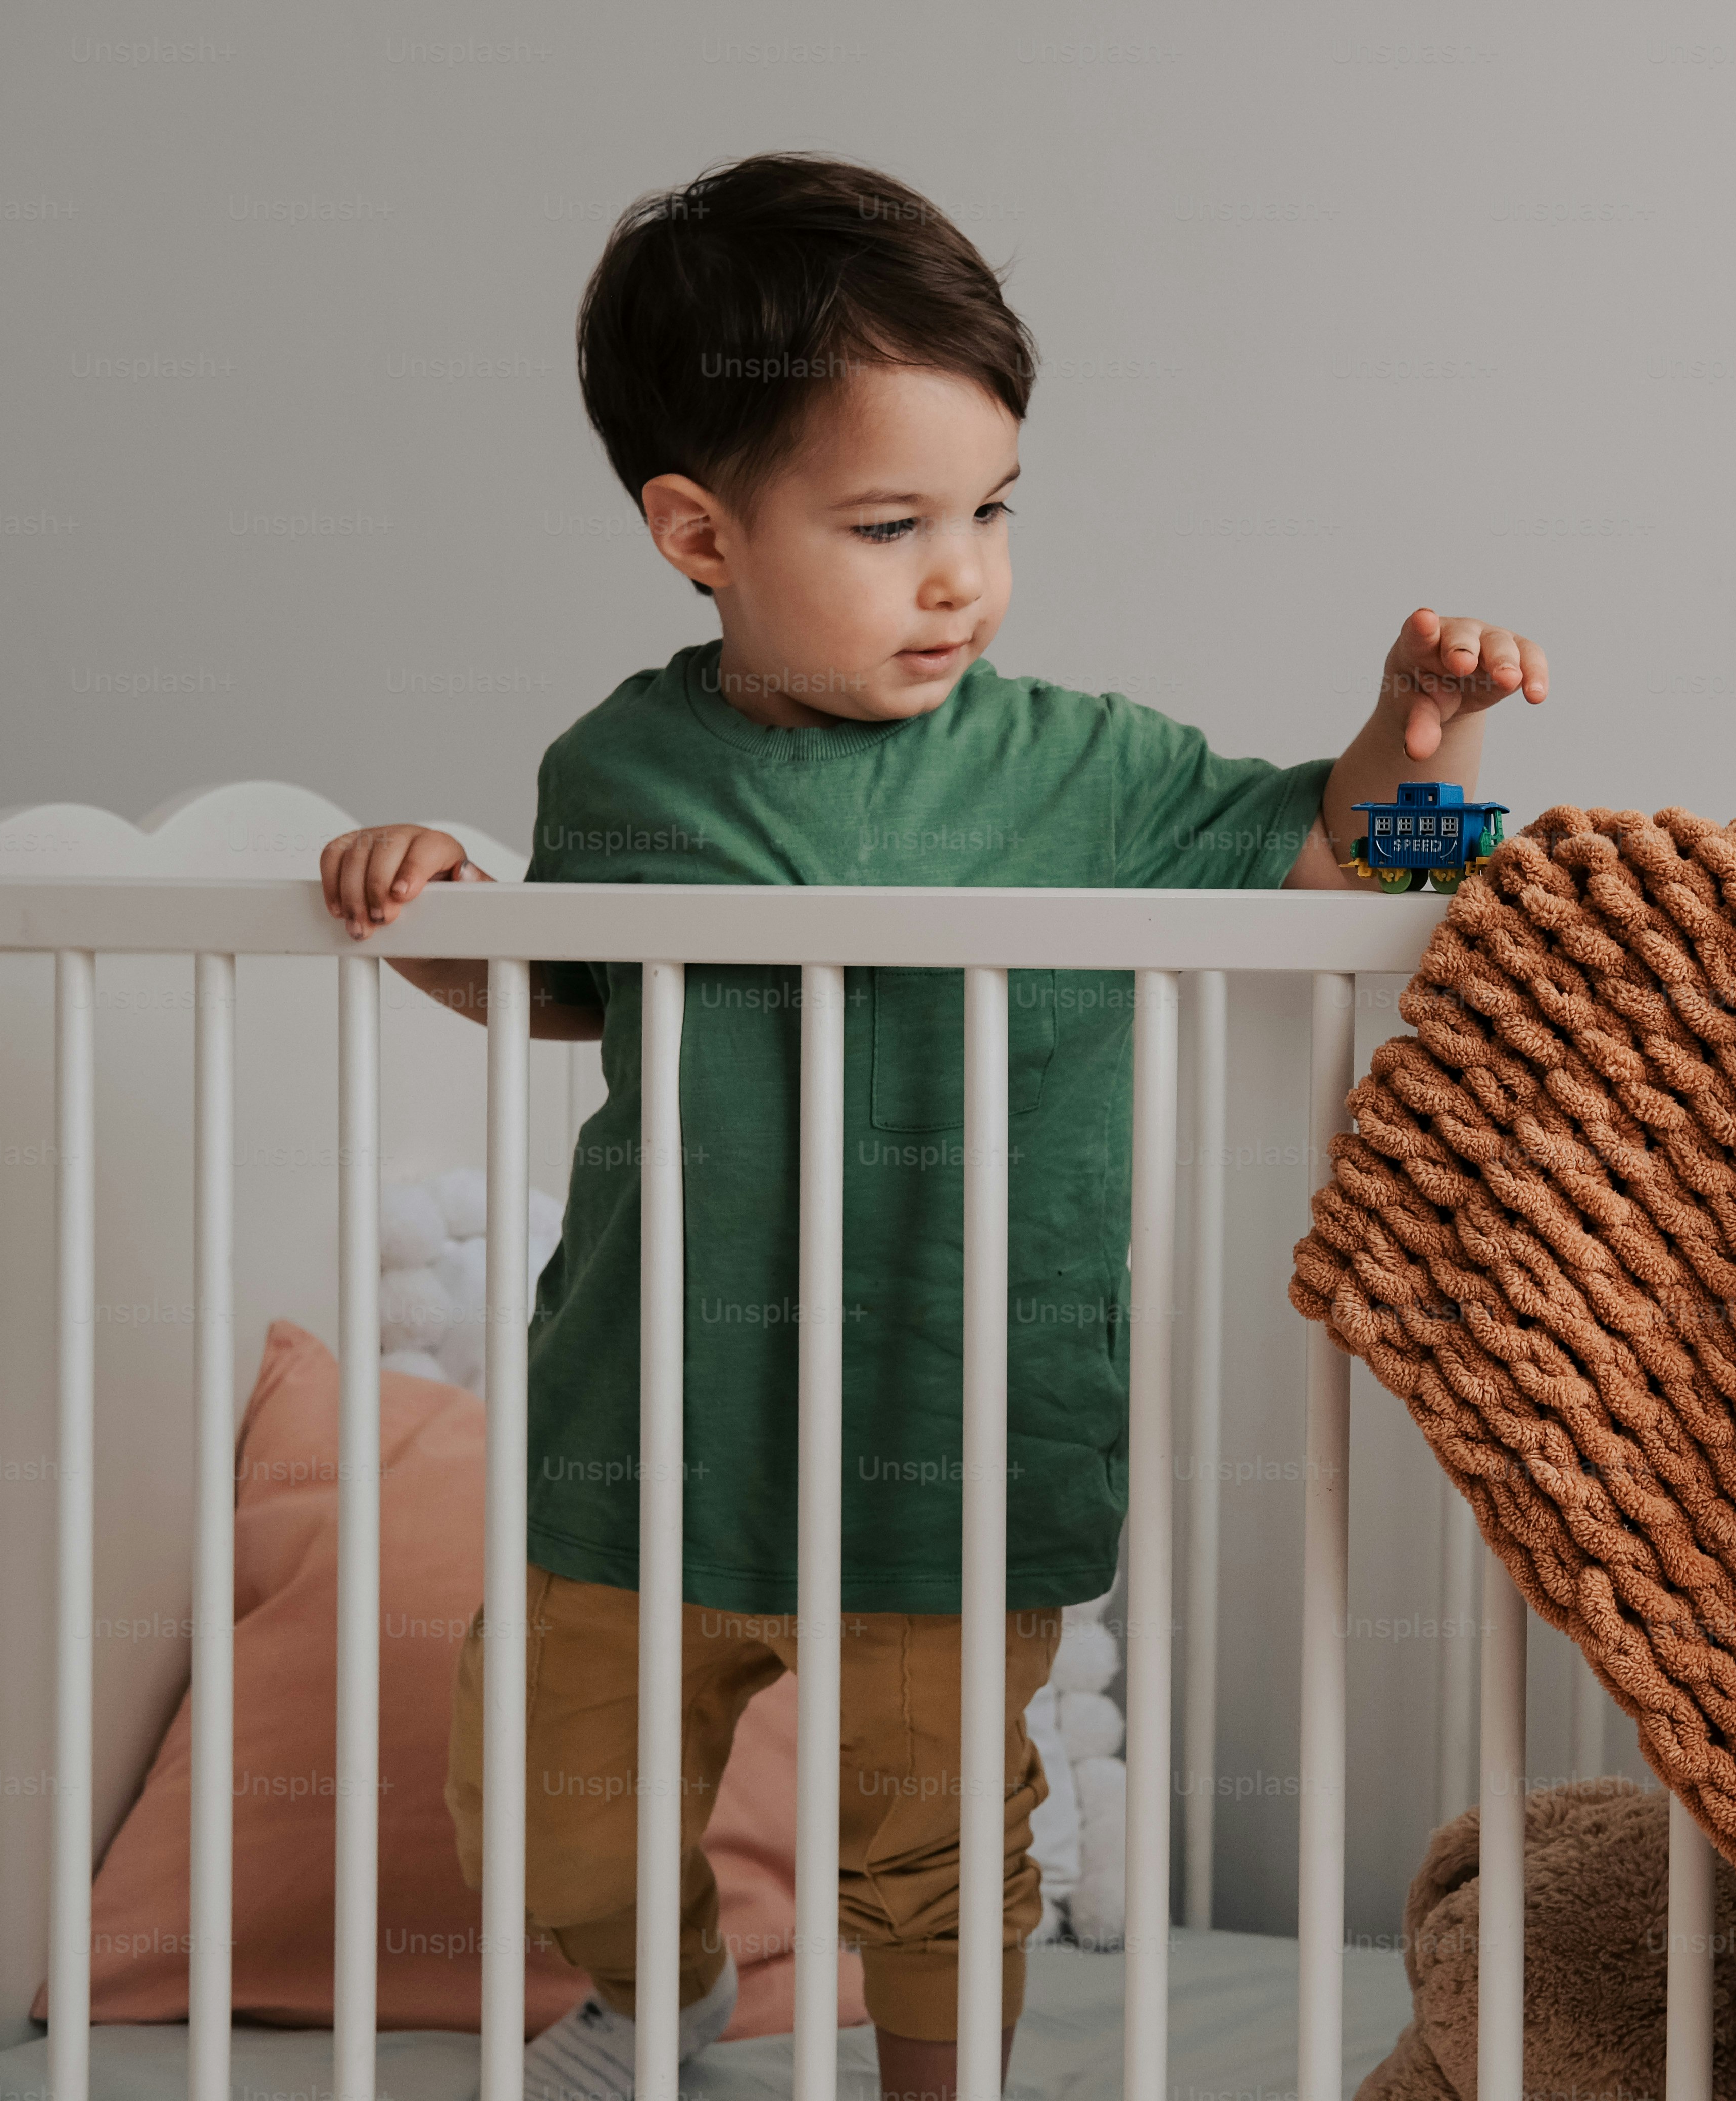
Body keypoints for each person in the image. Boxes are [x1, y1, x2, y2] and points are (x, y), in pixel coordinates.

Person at [317, 151, 1551, 2101]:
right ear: (698, 532)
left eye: (991, 509)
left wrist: (1423, 740)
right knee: (553, 1804)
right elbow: (566, 991)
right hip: (644, 1432)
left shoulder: (1088, 775)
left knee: (937, 1851)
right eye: (890, 525)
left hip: (949, 1442)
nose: (962, 572)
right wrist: (438, 914)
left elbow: (1348, 877)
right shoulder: (621, 768)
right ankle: (658, 1987)